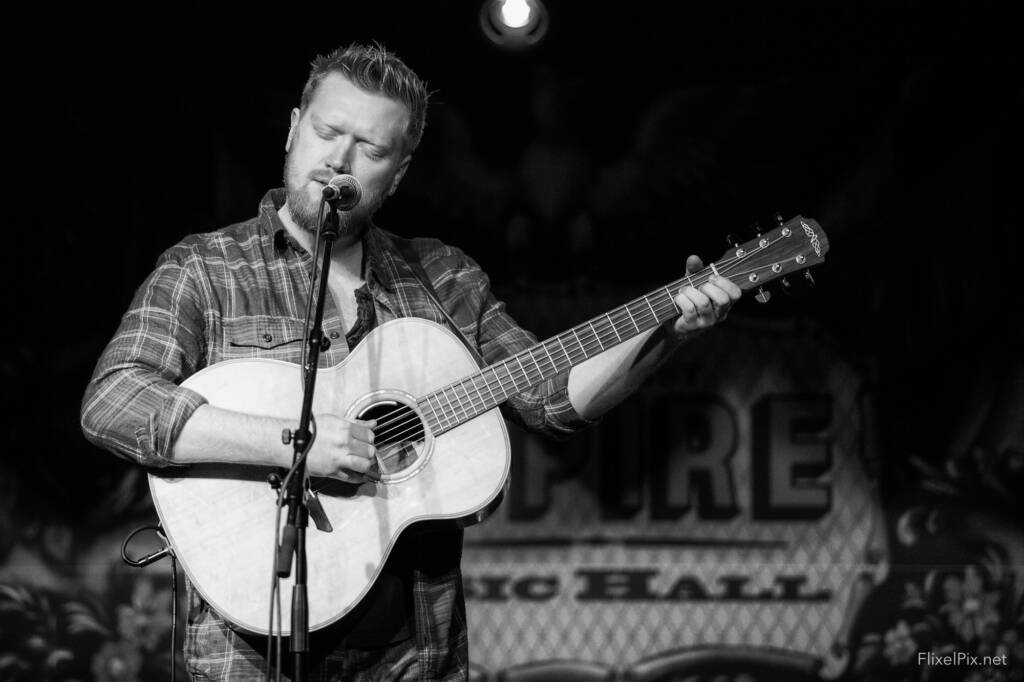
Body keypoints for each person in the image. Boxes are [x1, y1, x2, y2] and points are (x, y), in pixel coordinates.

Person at [81, 43, 741, 681]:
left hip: (411, 658)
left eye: (370, 149)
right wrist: (292, 442)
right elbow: (114, 401)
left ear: (396, 174)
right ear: (292, 129)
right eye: (326, 132)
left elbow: (552, 397)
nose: (338, 160)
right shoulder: (204, 269)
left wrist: (666, 332)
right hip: (248, 655)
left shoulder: (441, 276)